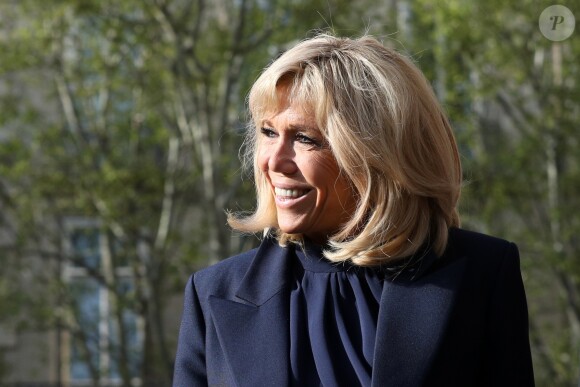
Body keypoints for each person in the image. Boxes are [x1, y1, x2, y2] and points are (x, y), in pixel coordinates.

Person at [173, 34, 534, 386]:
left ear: (376, 155)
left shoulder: (480, 274)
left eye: (304, 138)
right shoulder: (213, 294)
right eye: (268, 133)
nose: (274, 161)